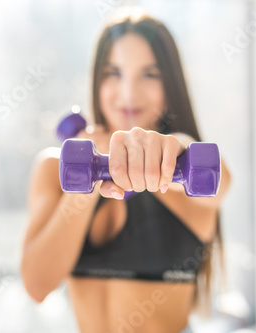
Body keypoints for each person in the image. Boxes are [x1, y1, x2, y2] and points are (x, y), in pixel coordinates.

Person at [20, 7, 232, 333]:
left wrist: (176, 146)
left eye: (150, 74)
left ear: (170, 84)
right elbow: (37, 285)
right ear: (97, 80)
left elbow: (220, 181)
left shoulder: (188, 170)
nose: (129, 92)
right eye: (113, 73)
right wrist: (92, 176)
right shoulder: (53, 168)